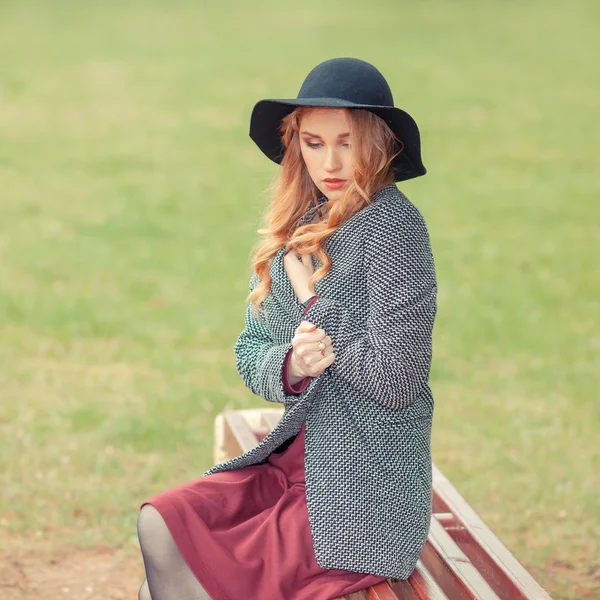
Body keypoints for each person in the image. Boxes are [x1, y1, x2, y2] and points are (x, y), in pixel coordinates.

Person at [136, 57, 437, 600]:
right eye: (314, 142)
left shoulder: (395, 226)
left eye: (348, 141)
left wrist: (312, 302)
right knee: (160, 525)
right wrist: (292, 365)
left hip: (361, 493)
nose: (331, 160)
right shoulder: (299, 225)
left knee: (183, 584)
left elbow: (399, 377)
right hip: (291, 463)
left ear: (380, 142)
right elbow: (250, 348)